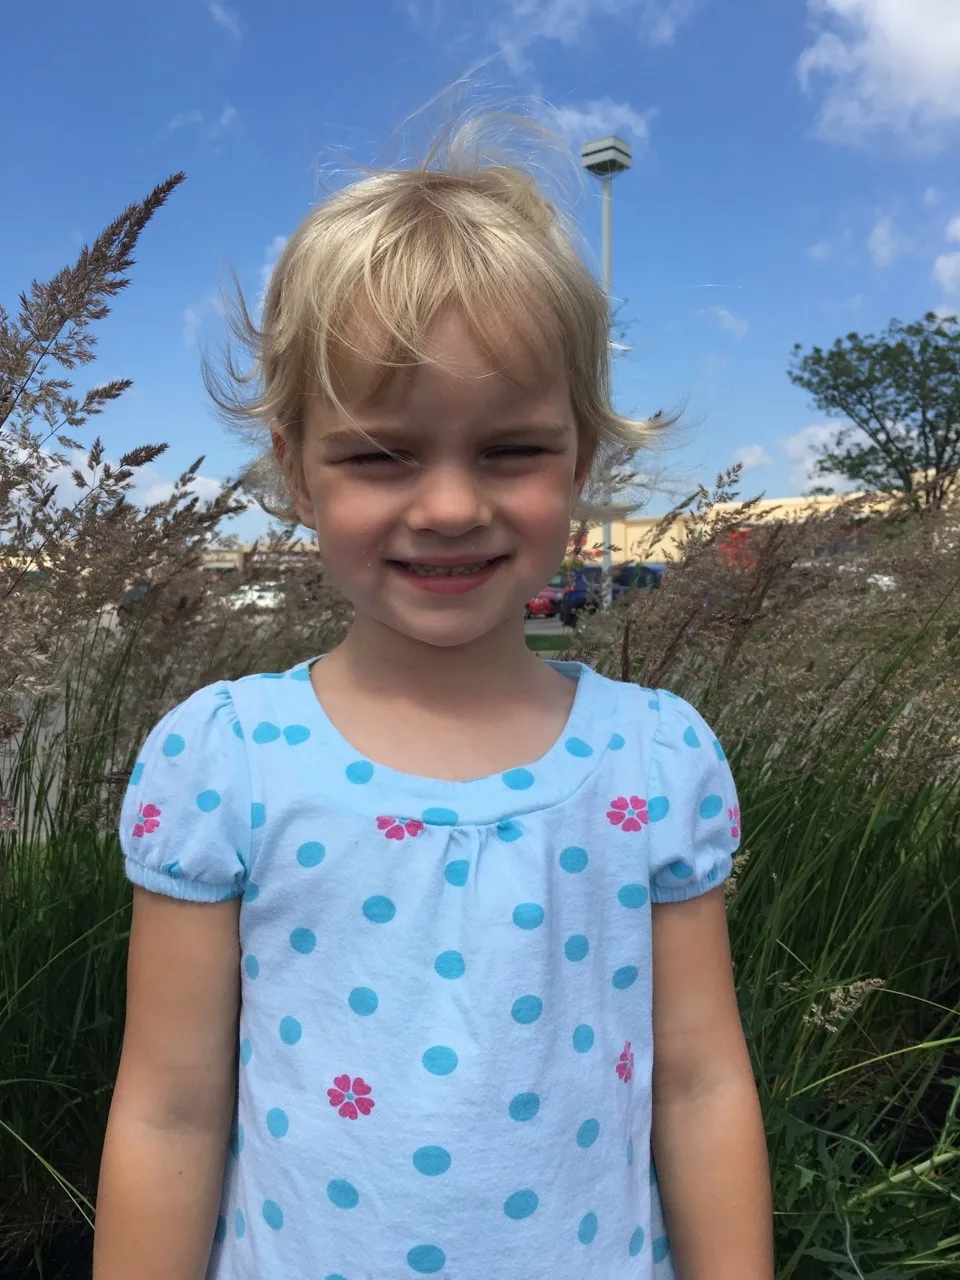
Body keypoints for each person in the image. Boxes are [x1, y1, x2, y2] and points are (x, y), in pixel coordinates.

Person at [93, 110, 774, 1280]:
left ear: (581, 462)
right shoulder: (227, 762)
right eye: (379, 453)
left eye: (510, 449)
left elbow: (701, 1084)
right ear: (296, 470)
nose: (452, 505)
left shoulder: (653, 761)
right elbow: (169, 1110)